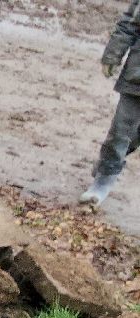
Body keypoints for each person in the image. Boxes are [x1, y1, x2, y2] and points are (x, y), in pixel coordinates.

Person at [85, 2, 140, 208]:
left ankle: (104, 166)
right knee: (120, 132)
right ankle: (103, 181)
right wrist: (113, 55)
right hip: (137, 77)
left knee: (134, 137)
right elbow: (129, 23)